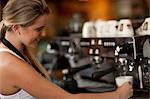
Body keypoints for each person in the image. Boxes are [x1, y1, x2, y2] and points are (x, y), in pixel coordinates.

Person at [0, 0, 133, 99]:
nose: (44, 34)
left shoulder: (14, 51)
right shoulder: (11, 64)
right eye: (38, 29)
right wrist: (118, 95)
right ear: (16, 28)